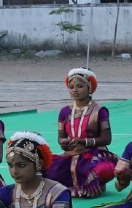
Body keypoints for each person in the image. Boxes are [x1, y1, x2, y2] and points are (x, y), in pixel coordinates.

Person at [48, 68, 117, 197]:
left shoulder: (100, 110)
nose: (75, 90)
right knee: (44, 168)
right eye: (71, 87)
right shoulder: (64, 112)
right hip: (72, 153)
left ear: (90, 88)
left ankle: (93, 186)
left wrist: (84, 141)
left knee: (104, 170)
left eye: (80, 86)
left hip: (95, 153)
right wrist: (64, 143)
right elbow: (61, 138)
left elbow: (106, 139)